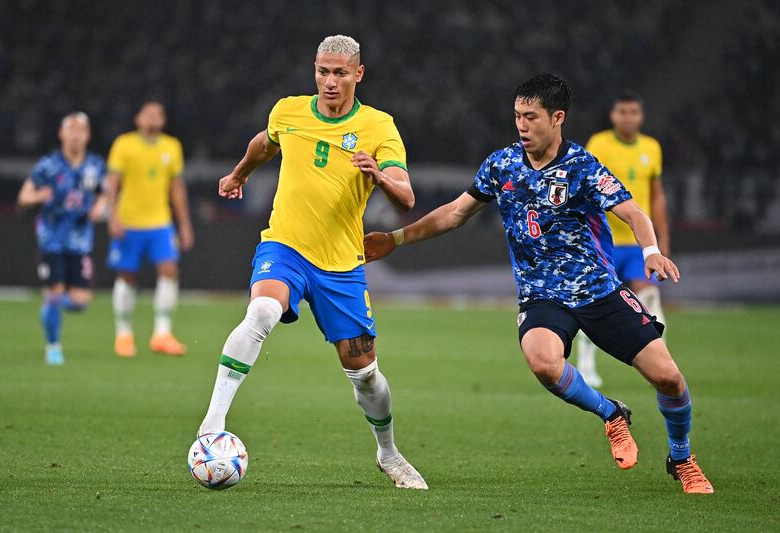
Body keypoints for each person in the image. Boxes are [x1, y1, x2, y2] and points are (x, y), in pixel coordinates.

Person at [364, 74, 713, 494]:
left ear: (558, 117)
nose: (522, 126)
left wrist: (651, 251)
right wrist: (397, 238)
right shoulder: (501, 165)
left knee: (669, 379)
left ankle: (681, 457)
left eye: (531, 117)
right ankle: (611, 414)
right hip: (542, 296)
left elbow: (635, 214)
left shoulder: (582, 167)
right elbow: (454, 214)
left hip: (596, 289)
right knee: (542, 361)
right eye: (517, 116)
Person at [197, 35, 427, 489]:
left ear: (358, 74)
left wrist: (379, 176)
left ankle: (388, 453)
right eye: (323, 71)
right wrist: (239, 173)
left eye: (340, 72)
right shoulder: (289, 111)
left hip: (341, 265)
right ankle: (211, 426)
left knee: (365, 375)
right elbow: (265, 143)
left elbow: (406, 196)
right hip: (285, 246)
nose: (329, 81)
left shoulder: (379, 127)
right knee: (262, 310)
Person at [576, 91, 669, 387]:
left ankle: (657, 364)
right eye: (622, 112)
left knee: (649, 300)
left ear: (640, 116)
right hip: (602, 242)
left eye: (633, 112)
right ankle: (586, 362)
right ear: (613, 115)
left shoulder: (651, 148)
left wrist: (660, 242)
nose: (627, 117)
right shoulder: (599, 144)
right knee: (593, 302)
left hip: (637, 245)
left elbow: (656, 197)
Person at [105, 101, 194, 357]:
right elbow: (112, 183)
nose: (153, 118)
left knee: (169, 270)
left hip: (160, 223)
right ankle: (123, 334)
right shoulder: (124, 144)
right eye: (148, 113)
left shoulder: (171, 147)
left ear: (163, 120)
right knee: (127, 275)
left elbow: (176, 188)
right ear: (138, 118)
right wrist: (112, 216)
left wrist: (184, 223)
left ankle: (162, 333)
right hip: (129, 221)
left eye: (158, 114)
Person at [17, 112, 106, 365]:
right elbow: (24, 196)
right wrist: (37, 197)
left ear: (87, 135)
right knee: (55, 290)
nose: (76, 135)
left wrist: (100, 207)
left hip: (80, 242)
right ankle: (53, 346)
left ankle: (52, 303)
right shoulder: (48, 165)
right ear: (61, 133)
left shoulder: (95, 165)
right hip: (51, 240)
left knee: (80, 302)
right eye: (71, 129)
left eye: (81, 130)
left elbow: (103, 193)